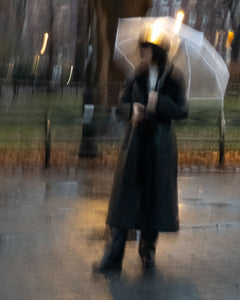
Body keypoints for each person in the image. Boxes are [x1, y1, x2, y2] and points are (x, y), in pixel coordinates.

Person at [93, 28, 188, 274]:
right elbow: (121, 105)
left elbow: (183, 111)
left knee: (153, 199)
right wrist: (132, 110)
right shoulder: (137, 74)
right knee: (124, 197)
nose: (141, 51)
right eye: (140, 46)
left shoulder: (174, 77)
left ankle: (148, 251)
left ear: (156, 49)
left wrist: (162, 104)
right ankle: (114, 257)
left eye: (145, 47)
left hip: (160, 147)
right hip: (135, 145)